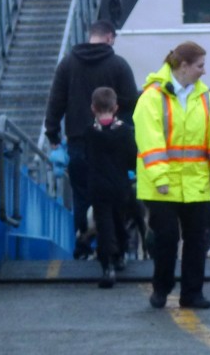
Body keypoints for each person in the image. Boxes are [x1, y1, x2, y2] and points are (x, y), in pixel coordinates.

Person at [133, 41, 210, 310]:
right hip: (161, 185)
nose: (204, 71)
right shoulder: (152, 97)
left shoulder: (205, 97)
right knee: (166, 239)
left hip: (195, 182)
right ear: (184, 66)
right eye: (200, 66)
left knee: (197, 239)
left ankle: (192, 293)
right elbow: (150, 142)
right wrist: (162, 178)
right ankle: (161, 289)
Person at [44, 19, 138, 258]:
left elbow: (56, 101)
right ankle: (116, 248)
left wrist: (53, 134)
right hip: (113, 142)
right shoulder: (119, 65)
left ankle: (83, 247)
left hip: (79, 142)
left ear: (91, 36)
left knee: (83, 196)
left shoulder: (67, 64)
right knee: (116, 194)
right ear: (109, 38)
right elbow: (133, 105)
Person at [84, 87, 137, 288]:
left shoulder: (89, 132)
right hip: (120, 186)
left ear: (93, 108)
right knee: (119, 221)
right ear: (115, 107)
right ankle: (122, 255)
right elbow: (133, 158)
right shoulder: (124, 131)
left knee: (104, 225)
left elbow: (86, 157)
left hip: (99, 186)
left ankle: (107, 267)